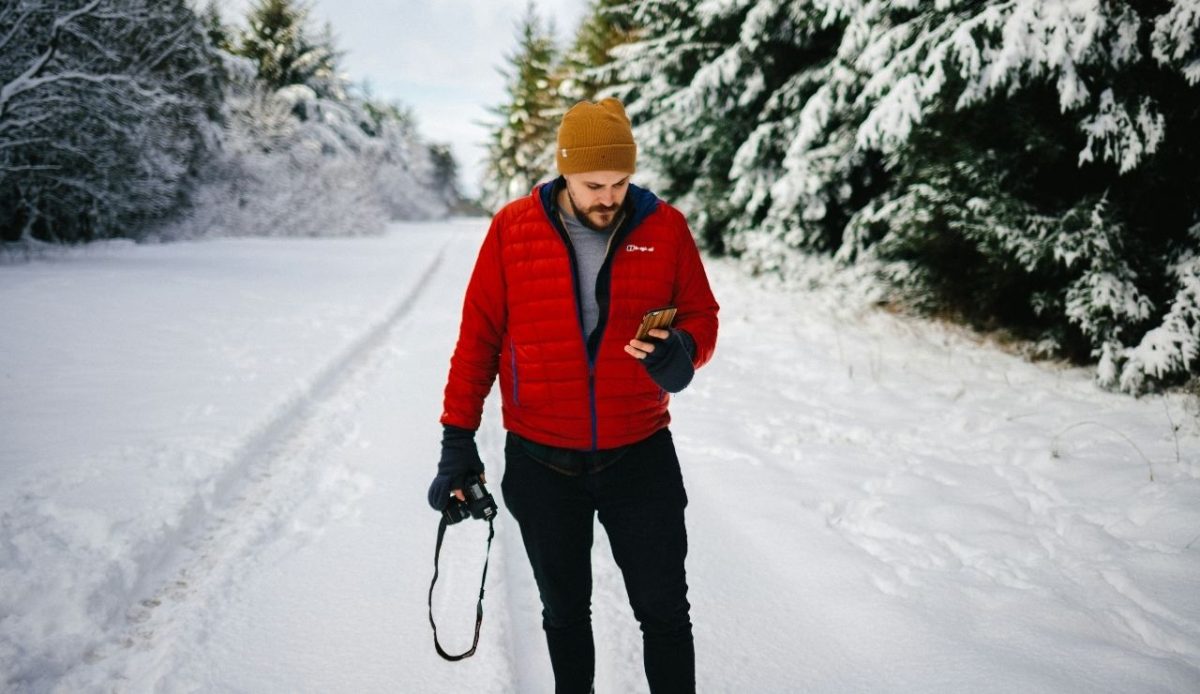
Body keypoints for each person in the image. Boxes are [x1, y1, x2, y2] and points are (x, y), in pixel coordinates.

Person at [428, 97, 719, 694]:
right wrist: (457, 441)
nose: (608, 197)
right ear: (564, 171)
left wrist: (680, 350)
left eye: (619, 182)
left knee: (665, 614)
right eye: (593, 184)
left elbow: (702, 316)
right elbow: (478, 339)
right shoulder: (512, 229)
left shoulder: (665, 228)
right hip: (541, 462)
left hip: (640, 454)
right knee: (564, 614)